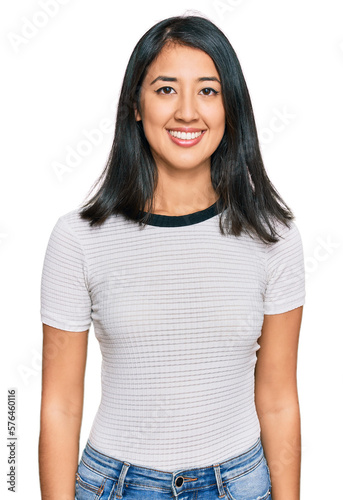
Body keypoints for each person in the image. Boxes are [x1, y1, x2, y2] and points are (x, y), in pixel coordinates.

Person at [38, 13, 305, 500]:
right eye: (165, 89)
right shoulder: (78, 239)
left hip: (239, 484)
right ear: (136, 106)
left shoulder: (274, 237)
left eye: (207, 90)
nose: (187, 112)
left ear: (231, 107)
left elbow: (279, 400)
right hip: (116, 486)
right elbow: (59, 405)